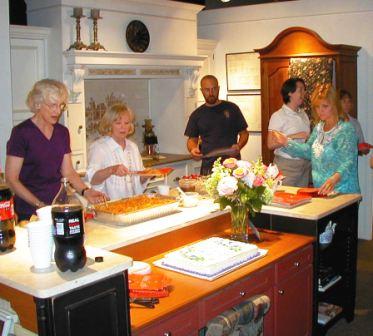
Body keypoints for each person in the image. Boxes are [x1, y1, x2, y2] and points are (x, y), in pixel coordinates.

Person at [6, 79, 106, 221]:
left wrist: (86, 191)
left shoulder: (62, 132)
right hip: (29, 211)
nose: (58, 111)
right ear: (37, 104)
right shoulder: (21, 133)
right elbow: (11, 179)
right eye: (52, 105)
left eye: (61, 105)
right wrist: (40, 205)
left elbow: (68, 172)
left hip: (59, 206)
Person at [271, 83, 360, 195]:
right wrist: (286, 142)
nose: (320, 110)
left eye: (325, 106)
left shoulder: (346, 129)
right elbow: (308, 151)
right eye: (317, 107)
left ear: (335, 105)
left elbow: (349, 161)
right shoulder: (319, 128)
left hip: (344, 192)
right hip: (321, 191)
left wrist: (334, 178)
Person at [184, 75, 249, 175]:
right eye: (207, 90)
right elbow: (192, 139)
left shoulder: (232, 108)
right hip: (208, 168)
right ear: (202, 91)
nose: (211, 93)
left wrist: (239, 146)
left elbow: (244, 133)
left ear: (218, 89)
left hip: (232, 165)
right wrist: (193, 149)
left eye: (214, 89)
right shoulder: (197, 114)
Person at [86, 103, 148, 200]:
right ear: (109, 125)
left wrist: (147, 175)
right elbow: (92, 179)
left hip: (133, 204)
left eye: (126, 123)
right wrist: (112, 170)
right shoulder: (99, 148)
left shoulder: (133, 147)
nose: (123, 127)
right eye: (118, 123)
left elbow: (137, 180)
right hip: (108, 207)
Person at [267, 78, 311, 187]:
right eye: (300, 90)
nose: (303, 93)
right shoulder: (278, 116)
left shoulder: (303, 114)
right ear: (290, 93)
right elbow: (270, 144)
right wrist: (295, 136)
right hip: (286, 166)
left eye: (304, 90)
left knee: (302, 200)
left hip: (304, 164)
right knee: (282, 198)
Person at [339, 89, 369, 155]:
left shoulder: (355, 123)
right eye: (344, 101)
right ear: (338, 103)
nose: (347, 104)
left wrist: (364, 150)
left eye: (349, 101)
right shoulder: (332, 121)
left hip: (351, 162)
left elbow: (361, 144)